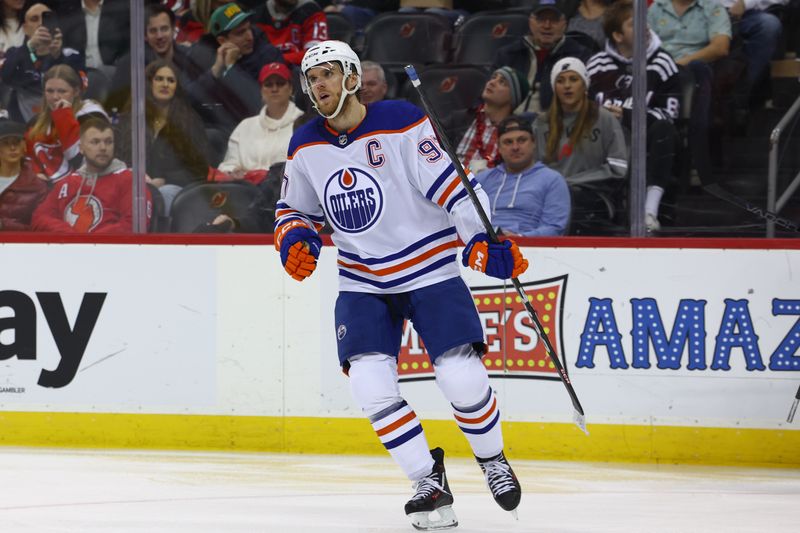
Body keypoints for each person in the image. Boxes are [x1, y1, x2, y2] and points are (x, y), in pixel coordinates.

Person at [275, 40, 525, 530]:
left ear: (351, 77)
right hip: (362, 278)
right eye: (312, 78)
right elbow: (292, 209)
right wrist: (295, 238)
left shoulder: (400, 121)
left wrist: (479, 241)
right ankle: (427, 482)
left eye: (327, 74)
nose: (318, 85)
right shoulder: (305, 142)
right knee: (369, 384)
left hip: (429, 267)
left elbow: (457, 188)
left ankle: (492, 459)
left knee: (460, 375)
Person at [587, 0, 681, 231]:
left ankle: (650, 210)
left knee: (664, 131)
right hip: (603, 138)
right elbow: (581, 108)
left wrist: (629, 115)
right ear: (618, 36)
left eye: (644, 21)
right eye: (634, 24)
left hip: (644, 139)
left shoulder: (662, 62)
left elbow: (670, 114)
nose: (645, 27)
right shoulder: (596, 64)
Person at [648, 0, 731, 185]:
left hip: (694, 70)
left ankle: (696, 156)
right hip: (659, 70)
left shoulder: (712, 7)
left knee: (698, 70)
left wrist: (679, 64)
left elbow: (720, 47)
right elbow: (643, 44)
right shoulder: (657, 7)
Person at [534, 57, 628, 217]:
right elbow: (535, 169)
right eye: (561, 81)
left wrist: (572, 182)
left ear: (584, 85)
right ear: (554, 87)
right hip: (550, 195)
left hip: (594, 197)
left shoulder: (604, 118)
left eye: (573, 79)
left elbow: (618, 167)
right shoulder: (542, 123)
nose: (567, 86)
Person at [116, 59, 209, 213]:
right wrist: (134, 176)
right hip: (132, 185)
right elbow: (117, 158)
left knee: (164, 193)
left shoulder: (190, 122)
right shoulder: (129, 120)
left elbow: (199, 169)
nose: (165, 84)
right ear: (149, 83)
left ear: (176, 87)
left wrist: (165, 179)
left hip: (174, 189)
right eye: (159, 79)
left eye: (171, 80)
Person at [32, 116, 152, 233]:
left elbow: (133, 224)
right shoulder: (67, 183)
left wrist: (91, 242)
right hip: (70, 250)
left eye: (108, 142)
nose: (103, 148)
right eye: (95, 142)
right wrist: (69, 235)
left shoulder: (130, 181)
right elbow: (39, 218)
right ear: (81, 148)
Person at [187, 2, 284, 136]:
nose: (249, 37)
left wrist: (231, 69)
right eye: (240, 33)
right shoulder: (205, 57)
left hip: (263, 132)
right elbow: (188, 99)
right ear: (222, 41)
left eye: (249, 28)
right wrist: (215, 72)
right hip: (223, 133)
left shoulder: (268, 55)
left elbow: (256, 105)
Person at [492, 0, 593, 114]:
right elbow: (490, 95)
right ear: (530, 21)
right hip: (507, 123)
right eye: (541, 19)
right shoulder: (508, 54)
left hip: (554, 125)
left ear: (564, 23)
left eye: (554, 20)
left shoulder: (580, 56)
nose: (547, 25)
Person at [476, 115, 570, 236]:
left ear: (533, 143)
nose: (515, 147)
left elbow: (555, 228)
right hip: (482, 245)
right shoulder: (481, 180)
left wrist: (521, 238)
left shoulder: (552, 180)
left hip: (531, 249)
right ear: (499, 148)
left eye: (521, 140)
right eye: (508, 142)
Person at [106, 3, 203, 113]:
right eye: (153, 31)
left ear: (173, 30)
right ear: (145, 36)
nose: (159, 36)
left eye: (164, 29)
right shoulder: (130, 64)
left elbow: (198, 99)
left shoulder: (189, 57)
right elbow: (114, 106)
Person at [218, 61, 305, 181]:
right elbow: (228, 164)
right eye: (268, 84)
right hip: (245, 192)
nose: (274, 89)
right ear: (261, 90)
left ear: (290, 89)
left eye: (280, 83)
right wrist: (232, 171)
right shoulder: (245, 126)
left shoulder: (303, 124)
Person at [0, 2, 85, 122]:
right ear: (25, 28)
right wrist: (28, 48)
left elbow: (81, 88)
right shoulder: (14, 54)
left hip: (62, 123)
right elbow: (6, 77)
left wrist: (58, 57)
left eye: (46, 18)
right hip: (22, 125)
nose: (40, 24)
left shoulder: (71, 55)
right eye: (34, 19)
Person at [24, 64, 108, 182]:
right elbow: (28, 161)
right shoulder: (35, 124)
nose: (55, 97)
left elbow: (83, 162)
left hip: (83, 188)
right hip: (45, 192)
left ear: (76, 91)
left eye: (62, 91)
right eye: (50, 91)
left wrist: (64, 117)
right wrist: (36, 176)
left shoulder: (92, 117)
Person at [451, 66, 529, 173]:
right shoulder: (460, 118)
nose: (492, 82)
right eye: (493, 77)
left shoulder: (515, 135)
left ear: (513, 97)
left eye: (502, 82)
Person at [57, 0, 130, 77]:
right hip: (75, 76)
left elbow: (128, 48)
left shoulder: (121, 8)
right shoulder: (67, 10)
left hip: (113, 75)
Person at [0, 119, 47, 230]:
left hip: (17, 245)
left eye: (16, 142)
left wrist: (4, 225)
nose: (12, 148)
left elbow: (38, 227)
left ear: (24, 146)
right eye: (6, 143)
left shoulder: (37, 187)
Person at [251, 0, 328, 65]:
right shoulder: (258, 15)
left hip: (302, 71)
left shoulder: (311, 10)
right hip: (266, 75)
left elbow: (316, 55)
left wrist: (278, 60)